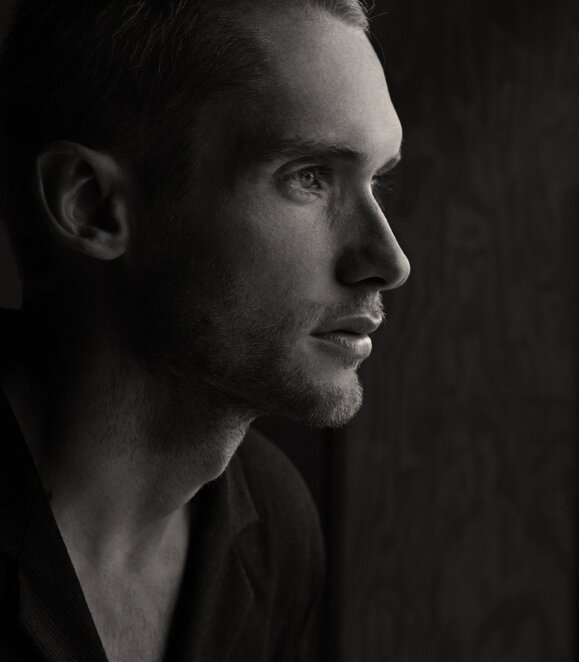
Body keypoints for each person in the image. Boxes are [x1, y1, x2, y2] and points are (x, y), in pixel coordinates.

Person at [0, 0, 410, 660]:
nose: (388, 261)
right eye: (309, 177)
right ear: (92, 205)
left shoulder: (273, 527)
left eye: (377, 181)